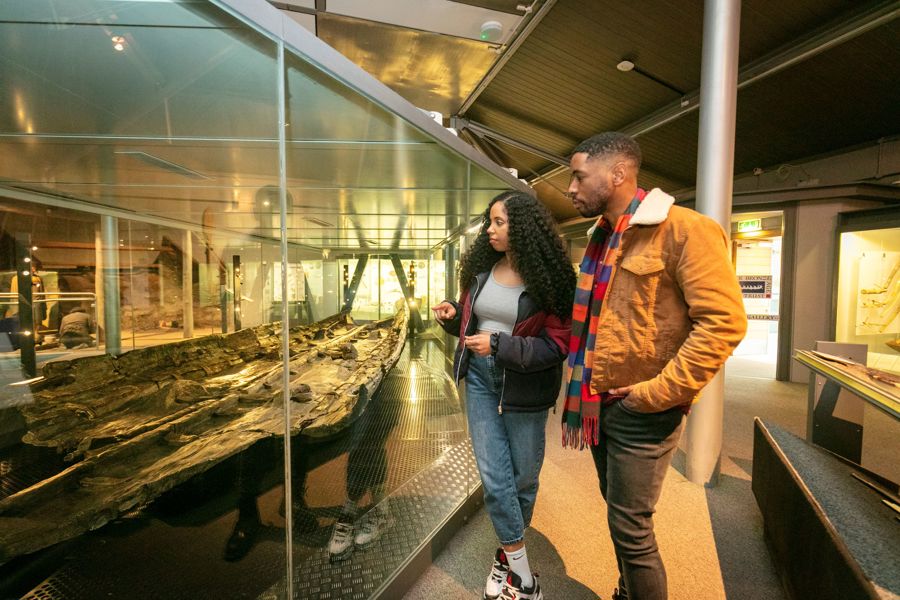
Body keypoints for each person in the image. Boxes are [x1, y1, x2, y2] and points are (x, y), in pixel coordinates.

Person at [563, 132, 747, 600]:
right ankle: (628, 590)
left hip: (643, 407)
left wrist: (655, 394)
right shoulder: (603, 237)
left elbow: (723, 324)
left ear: (618, 173)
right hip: (600, 399)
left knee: (632, 530)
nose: (570, 187)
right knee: (619, 513)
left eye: (579, 176)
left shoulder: (685, 229)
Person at [432, 190, 575, 600]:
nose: (489, 229)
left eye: (499, 222)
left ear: (523, 228)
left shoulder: (551, 281)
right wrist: (452, 317)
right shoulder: (480, 270)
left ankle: (504, 557)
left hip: (527, 386)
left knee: (524, 479)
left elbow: (556, 347)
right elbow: (472, 324)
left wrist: (500, 345)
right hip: (480, 379)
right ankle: (524, 579)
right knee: (496, 481)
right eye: (489, 221)